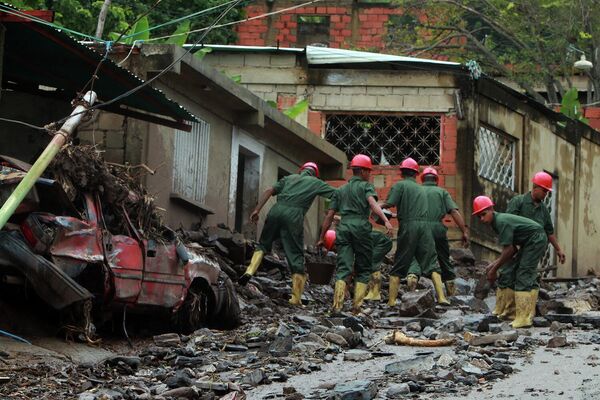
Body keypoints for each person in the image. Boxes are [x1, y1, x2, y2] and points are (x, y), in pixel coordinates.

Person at [239, 162, 335, 307]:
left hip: (276, 211)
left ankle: (249, 271)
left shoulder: (288, 178)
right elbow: (337, 194)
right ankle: (296, 298)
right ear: (315, 173)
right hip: (294, 215)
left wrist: (257, 210)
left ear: (301, 170)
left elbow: (269, 190)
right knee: (295, 254)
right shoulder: (316, 182)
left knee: (263, 244)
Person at [318, 154, 392, 314]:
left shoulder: (340, 190)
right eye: (369, 171)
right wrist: (385, 219)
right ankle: (356, 307)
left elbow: (329, 215)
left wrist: (321, 237)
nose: (370, 174)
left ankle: (337, 305)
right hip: (360, 227)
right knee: (364, 267)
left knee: (343, 267)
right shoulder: (366, 186)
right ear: (364, 171)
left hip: (343, 228)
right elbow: (373, 204)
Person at [494, 171, 566, 320]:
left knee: (526, 275)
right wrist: (512, 247)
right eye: (544, 190)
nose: (546, 194)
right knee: (507, 273)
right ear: (535, 187)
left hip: (532, 247)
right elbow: (508, 223)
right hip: (516, 246)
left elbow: (549, 231)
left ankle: (525, 314)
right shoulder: (518, 201)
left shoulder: (543, 209)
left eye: (547, 191)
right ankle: (505, 311)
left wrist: (558, 249)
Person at [381, 158, 449, 306]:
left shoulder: (400, 186)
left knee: (400, 261)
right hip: (425, 228)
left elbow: (390, 203)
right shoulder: (421, 189)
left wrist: (377, 206)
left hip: (408, 226)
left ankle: (391, 301)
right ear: (416, 173)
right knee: (431, 260)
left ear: (401, 172)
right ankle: (442, 297)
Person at [472, 195, 547, 328]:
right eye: (479, 217)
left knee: (523, 274)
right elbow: (510, 249)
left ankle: (524, 317)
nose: (482, 219)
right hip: (528, 241)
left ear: (491, 209)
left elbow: (510, 250)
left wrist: (494, 269)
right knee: (510, 271)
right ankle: (509, 312)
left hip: (536, 239)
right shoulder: (495, 223)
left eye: (483, 214)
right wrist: (494, 265)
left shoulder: (501, 222)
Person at [405, 167, 469, 295]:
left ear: (422, 179)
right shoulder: (442, 192)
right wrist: (464, 231)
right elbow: (454, 212)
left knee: (416, 257)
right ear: (436, 180)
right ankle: (450, 292)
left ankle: (412, 281)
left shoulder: (415, 191)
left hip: (418, 228)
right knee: (443, 258)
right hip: (437, 229)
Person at [363, 229, 393, 301]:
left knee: (372, 264)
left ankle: (375, 293)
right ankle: (369, 290)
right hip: (377, 242)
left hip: (383, 242)